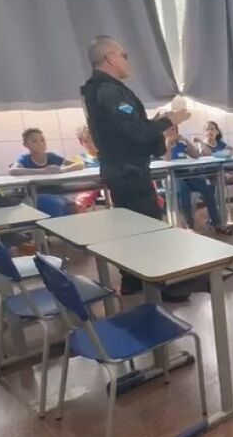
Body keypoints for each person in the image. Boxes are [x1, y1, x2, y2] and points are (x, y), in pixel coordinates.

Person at [81, 35, 190, 296]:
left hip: (122, 169)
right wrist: (166, 121)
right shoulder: (108, 90)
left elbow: (126, 129)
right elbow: (135, 132)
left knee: (131, 228)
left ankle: (132, 281)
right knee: (147, 228)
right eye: (124, 55)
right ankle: (157, 285)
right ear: (109, 58)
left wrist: (157, 123)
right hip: (128, 171)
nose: (127, 60)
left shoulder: (99, 89)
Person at [164, 125, 233, 235]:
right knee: (184, 192)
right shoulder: (161, 145)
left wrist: (186, 141)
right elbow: (167, 159)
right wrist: (168, 142)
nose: (171, 132)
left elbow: (196, 155)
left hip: (187, 173)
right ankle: (190, 226)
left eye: (173, 129)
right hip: (173, 176)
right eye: (168, 129)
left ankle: (216, 223)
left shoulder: (181, 144)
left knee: (207, 188)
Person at [10, 128, 84, 217]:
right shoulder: (25, 159)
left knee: (73, 205)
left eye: (42, 140)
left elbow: (80, 164)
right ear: (26, 145)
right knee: (55, 204)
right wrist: (42, 171)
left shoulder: (51, 156)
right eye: (34, 141)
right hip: (37, 194)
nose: (40, 143)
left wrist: (62, 170)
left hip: (58, 191)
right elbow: (13, 170)